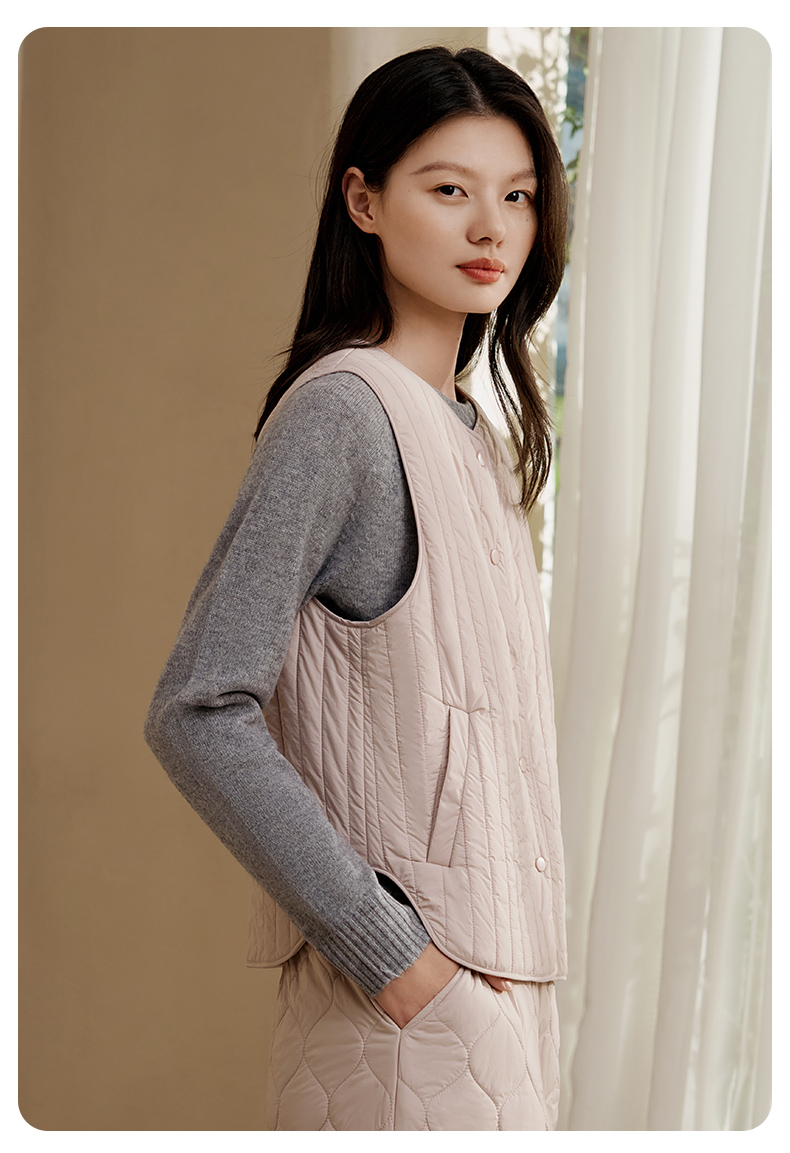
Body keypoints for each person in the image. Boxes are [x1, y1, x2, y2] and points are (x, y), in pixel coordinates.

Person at [144, 45, 568, 1132]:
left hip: (499, 1013)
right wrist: (399, 959)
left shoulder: (475, 441)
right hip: (405, 1022)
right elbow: (197, 707)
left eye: (517, 196)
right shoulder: (342, 414)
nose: (491, 228)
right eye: (449, 190)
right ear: (363, 200)